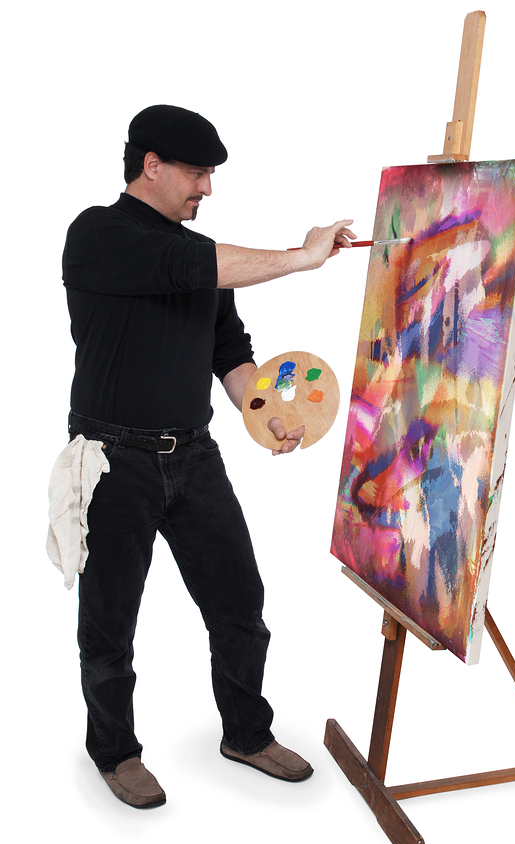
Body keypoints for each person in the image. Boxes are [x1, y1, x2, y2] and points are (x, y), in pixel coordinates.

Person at [62, 104, 356, 808]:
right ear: (151, 165)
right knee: (109, 624)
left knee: (240, 605)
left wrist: (265, 411)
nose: (208, 188)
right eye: (197, 173)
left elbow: (229, 352)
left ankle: (247, 735)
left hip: (194, 458)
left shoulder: (202, 255)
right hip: (113, 461)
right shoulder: (98, 234)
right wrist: (303, 257)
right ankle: (114, 752)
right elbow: (186, 265)